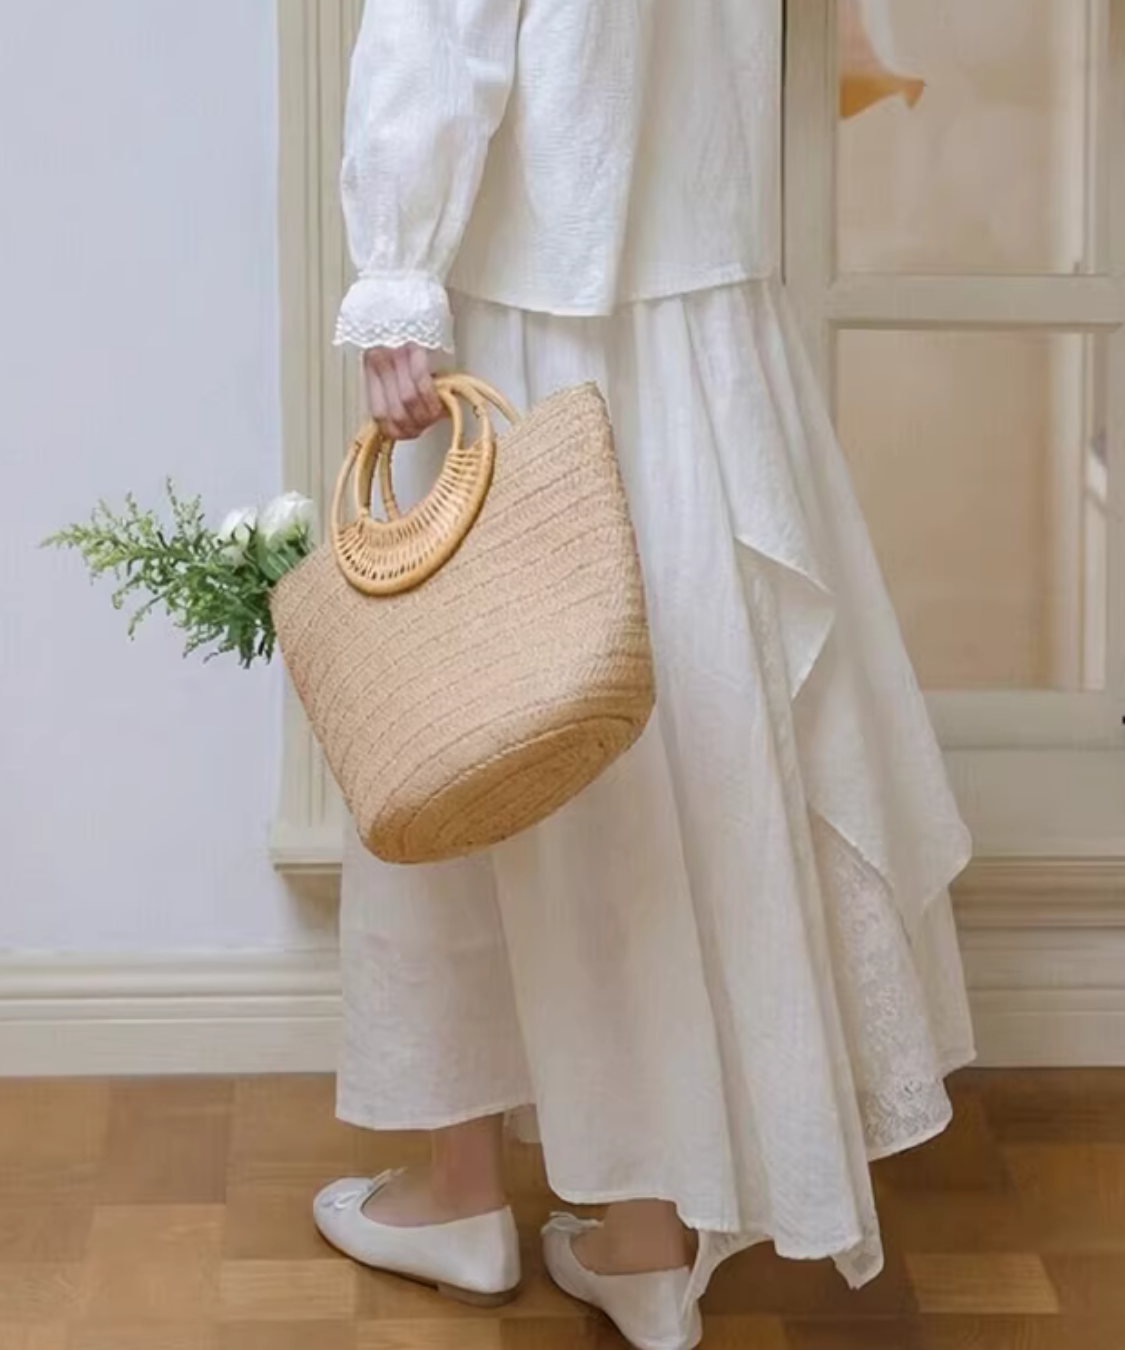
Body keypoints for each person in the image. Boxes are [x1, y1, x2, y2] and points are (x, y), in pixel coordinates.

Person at [313, 3, 975, 1348]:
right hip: (702, 299)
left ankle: (460, 1191)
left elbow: (444, 25)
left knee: (468, 725)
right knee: (681, 742)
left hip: (523, 295)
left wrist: (395, 273)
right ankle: (646, 1232)